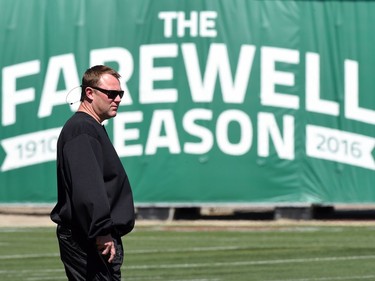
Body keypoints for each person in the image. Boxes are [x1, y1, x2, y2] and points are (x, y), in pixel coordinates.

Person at [50, 65, 135, 280]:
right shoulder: (82, 128)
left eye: (120, 94)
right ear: (89, 93)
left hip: (93, 234)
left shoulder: (90, 127)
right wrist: (101, 230)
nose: (117, 99)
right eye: (111, 94)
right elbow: (88, 186)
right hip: (88, 237)